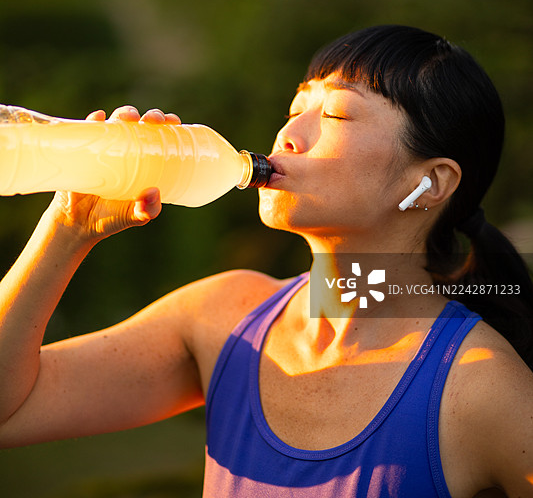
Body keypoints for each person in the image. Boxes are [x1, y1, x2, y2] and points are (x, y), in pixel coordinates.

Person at [0, 24, 532, 497]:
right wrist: (69, 226)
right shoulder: (222, 318)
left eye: (336, 113)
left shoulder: (480, 389)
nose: (289, 136)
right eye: (295, 109)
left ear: (428, 184)